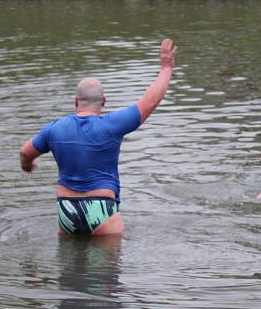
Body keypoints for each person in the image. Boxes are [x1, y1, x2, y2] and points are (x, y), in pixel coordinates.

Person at [20, 38, 177, 235]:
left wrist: (27, 163)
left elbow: (25, 151)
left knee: (69, 264)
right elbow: (151, 100)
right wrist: (166, 68)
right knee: (108, 265)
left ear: (75, 101)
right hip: (101, 208)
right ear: (104, 101)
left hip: (67, 209)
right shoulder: (112, 125)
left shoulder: (54, 129)